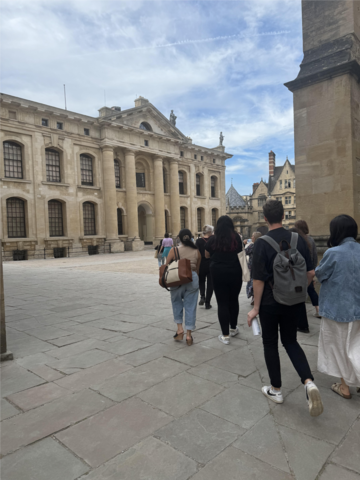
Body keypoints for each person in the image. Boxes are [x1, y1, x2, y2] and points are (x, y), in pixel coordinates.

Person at [248, 199, 323, 417]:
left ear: (265, 218)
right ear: (284, 216)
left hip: (271, 303)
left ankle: (276, 390)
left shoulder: (261, 243)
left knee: (270, 343)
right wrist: (299, 291)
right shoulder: (299, 239)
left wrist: (255, 308)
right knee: (291, 341)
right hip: (295, 301)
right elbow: (310, 273)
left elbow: (258, 280)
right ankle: (308, 382)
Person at [316, 214, 360, 399]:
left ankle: (344, 387)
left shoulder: (333, 253)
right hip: (358, 308)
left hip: (337, 309)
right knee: (356, 347)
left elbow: (320, 274)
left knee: (339, 348)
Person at [205, 216, 243, 345]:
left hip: (217, 272)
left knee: (222, 303)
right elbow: (241, 253)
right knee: (233, 300)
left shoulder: (213, 239)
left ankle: (225, 335)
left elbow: (206, 254)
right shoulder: (236, 238)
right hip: (235, 271)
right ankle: (233, 328)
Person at [167, 229, 201, 346]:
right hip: (192, 278)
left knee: (176, 302)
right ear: (191, 238)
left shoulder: (174, 250)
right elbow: (197, 268)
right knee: (191, 306)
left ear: (179, 238)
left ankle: (179, 329)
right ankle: (188, 335)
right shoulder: (197, 251)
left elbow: (166, 265)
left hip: (177, 279)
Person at [295, 220, 321, 319]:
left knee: (300, 291)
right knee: (311, 289)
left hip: (299, 269)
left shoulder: (297, 240)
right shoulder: (311, 239)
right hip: (309, 268)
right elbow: (314, 256)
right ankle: (318, 309)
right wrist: (313, 269)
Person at [196, 225, 214, 309]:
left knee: (201, 281)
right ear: (210, 232)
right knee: (210, 283)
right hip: (211, 263)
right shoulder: (213, 240)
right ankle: (208, 303)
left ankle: (202, 296)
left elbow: (196, 253)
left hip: (201, 263)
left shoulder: (199, 241)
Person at [246, 232, 262, 304]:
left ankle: (254, 297)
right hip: (260, 266)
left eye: (252, 236)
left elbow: (244, 252)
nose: (251, 237)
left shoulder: (252, 246)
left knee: (252, 281)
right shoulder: (262, 245)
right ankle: (256, 297)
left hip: (252, 266)